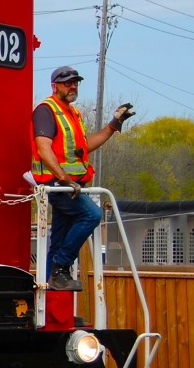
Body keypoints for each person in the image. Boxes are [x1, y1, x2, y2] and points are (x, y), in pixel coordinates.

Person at [31, 66, 134, 291]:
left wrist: (113, 125)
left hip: (71, 186)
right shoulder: (46, 110)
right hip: (57, 185)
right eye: (67, 82)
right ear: (54, 86)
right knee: (91, 214)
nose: (73, 86)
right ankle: (61, 266)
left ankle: (50, 299)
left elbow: (83, 147)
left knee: (57, 241)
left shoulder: (72, 113)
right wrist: (64, 178)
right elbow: (43, 147)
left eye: (75, 82)